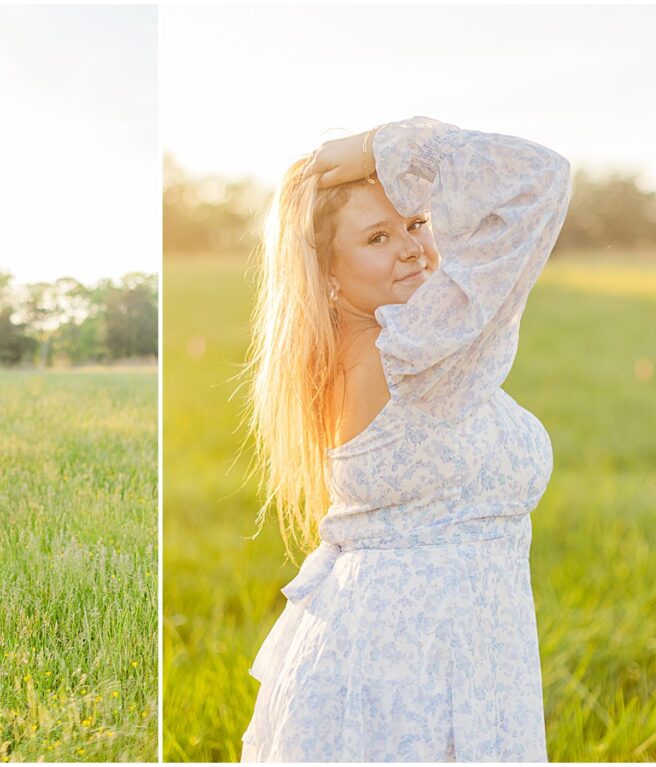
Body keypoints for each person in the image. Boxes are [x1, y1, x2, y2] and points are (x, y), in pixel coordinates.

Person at [240, 116, 571, 761]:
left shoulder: (366, 346)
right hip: (410, 677)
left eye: (416, 223)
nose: (414, 248)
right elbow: (540, 179)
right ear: (328, 270)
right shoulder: (408, 355)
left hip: (422, 657)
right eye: (377, 236)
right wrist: (386, 146)